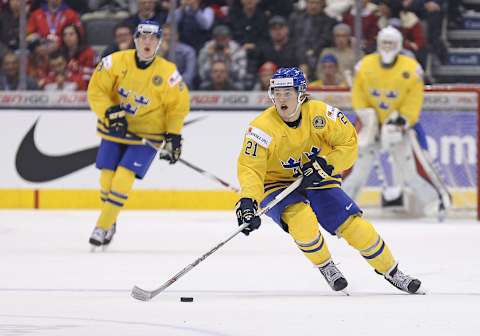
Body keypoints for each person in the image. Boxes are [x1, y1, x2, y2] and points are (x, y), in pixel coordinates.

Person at [235, 66, 423, 294]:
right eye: (277, 93)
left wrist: (327, 163)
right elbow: (250, 168)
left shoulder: (322, 115)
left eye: (288, 93)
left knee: (353, 225)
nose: (281, 99)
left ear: (301, 94)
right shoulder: (261, 128)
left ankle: (393, 272)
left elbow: (349, 144)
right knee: (301, 222)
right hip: (276, 183)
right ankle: (326, 266)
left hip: (318, 174)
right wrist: (247, 202)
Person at [87, 20, 190, 248]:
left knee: (123, 177)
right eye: (143, 36)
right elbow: (96, 90)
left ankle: (102, 226)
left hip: (148, 134)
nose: (147, 41)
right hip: (116, 129)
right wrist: (111, 112)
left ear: (159, 43)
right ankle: (110, 220)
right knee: (106, 178)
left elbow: (178, 107)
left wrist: (173, 136)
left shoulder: (168, 73)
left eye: (153, 38)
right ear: (135, 39)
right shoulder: (114, 61)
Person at [343, 26, 450, 218]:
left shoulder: (411, 68)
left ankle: (437, 204)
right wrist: (368, 116)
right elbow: (358, 94)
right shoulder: (365, 65)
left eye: (391, 43)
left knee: (412, 171)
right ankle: (339, 205)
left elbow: (415, 98)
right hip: (370, 123)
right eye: (384, 42)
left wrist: (402, 120)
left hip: (399, 126)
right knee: (355, 168)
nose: (387, 47)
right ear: (378, 44)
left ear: (399, 45)